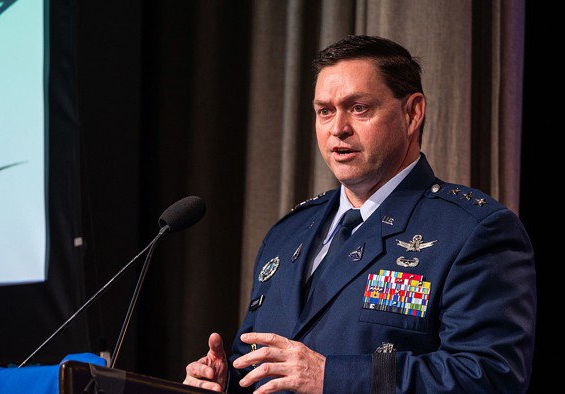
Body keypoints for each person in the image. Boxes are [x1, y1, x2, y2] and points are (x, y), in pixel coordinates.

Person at [183, 35, 536, 393]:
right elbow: (262, 364)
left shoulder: (472, 230)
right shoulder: (287, 233)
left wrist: (331, 376)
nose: (338, 128)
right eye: (325, 111)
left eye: (359, 108)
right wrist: (227, 383)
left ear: (413, 113)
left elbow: (488, 376)